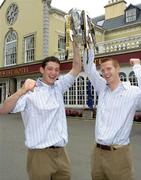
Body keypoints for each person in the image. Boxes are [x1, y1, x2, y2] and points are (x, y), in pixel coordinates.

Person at [0, 42, 81, 180]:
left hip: (62, 154)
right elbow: (4, 109)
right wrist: (22, 90)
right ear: (42, 70)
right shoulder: (31, 92)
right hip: (39, 155)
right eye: (50, 69)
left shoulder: (59, 86)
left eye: (56, 69)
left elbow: (77, 68)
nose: (53, 73)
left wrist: (75, 44)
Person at [83, 47, 141, 180]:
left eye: (109, 69)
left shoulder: (132, 92)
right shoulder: (102, 88)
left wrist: (137, 67)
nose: (105, 73)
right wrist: (87, 45)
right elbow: (89, 69)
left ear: (117, 69)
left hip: (119, 154)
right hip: (97, 153)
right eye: (103, 70)